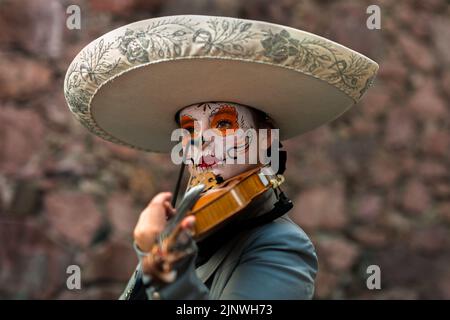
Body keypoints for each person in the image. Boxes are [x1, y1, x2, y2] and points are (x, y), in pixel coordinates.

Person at [64, 15, 378, 300]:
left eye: (223, 124)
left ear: (264, 141)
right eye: (188, 129)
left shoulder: (283, 246)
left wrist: (164, 267)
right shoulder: (189, 226)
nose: (200, 142)